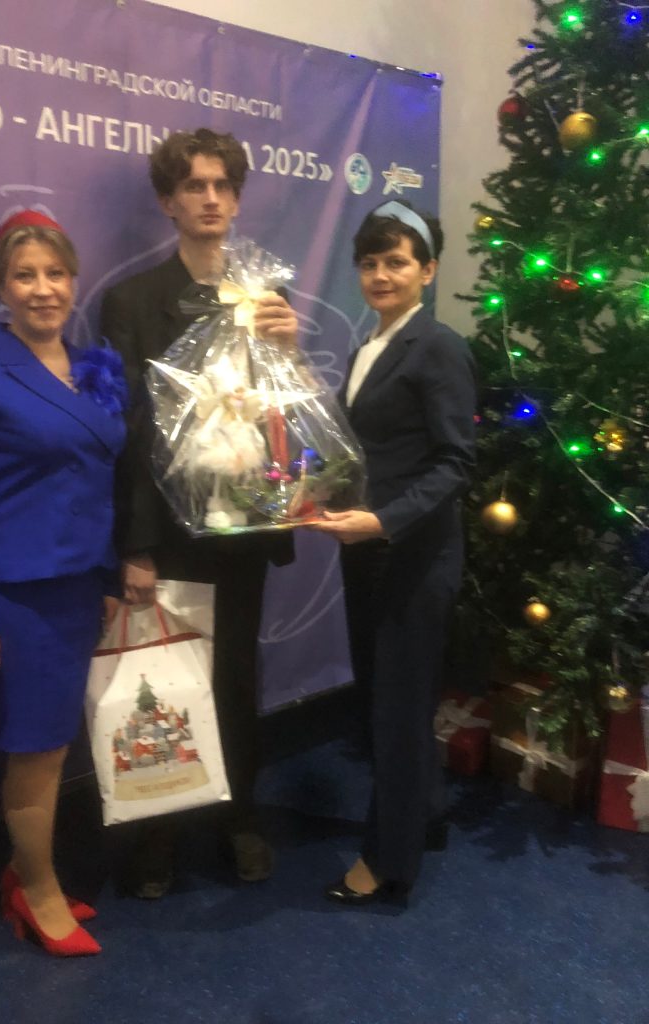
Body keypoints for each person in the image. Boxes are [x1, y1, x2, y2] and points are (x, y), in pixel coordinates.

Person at [0, 210, 126, 955]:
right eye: (25, 275)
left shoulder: (94, 368)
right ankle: (36, 890)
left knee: (57, 746)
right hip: (16, 600)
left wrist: (110, 575)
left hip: (79, 589)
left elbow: (100, 483)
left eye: (56, 273)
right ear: (0, 286)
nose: (44, 289)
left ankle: (26, 871)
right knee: (36, 750)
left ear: (74, 279)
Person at [100, 128, 298, 898]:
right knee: (164, 680)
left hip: (241, 527)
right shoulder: (132, 301)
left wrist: (290, 351)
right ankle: (158, 833)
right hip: (170, 534)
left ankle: (240, 816)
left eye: (222, 186)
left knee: (236, 679)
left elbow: (284, 414)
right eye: (194, 186)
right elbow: (129, 434)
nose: (210, 199)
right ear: (168, 202)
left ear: (237, 200)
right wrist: (137, 545)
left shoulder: (265, 299)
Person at [309, 201, 476, 905]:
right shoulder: (369, 348)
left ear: (427, 271)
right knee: (388, 698)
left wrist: (382, 521)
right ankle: (424, 814)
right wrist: (316, 489)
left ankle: (387, 862)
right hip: (370, 552)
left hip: (413, 557)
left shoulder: (437, 346)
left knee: (396, 711)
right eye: (370, 262)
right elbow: (368, 451)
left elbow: (455, 462)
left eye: (397, 262)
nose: (381, 274)